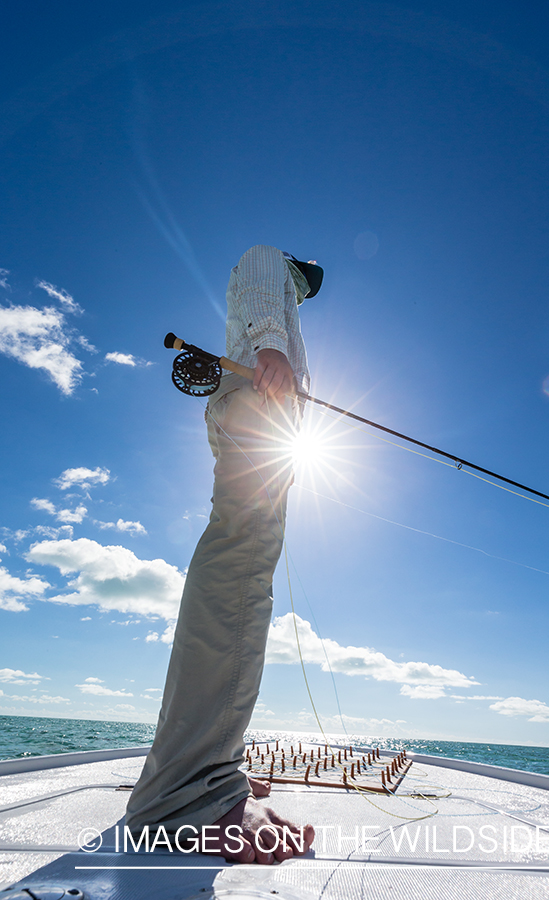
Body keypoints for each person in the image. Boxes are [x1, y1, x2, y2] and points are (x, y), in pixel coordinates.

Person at [126, 244, 323, 864]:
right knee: (242, 560)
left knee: (242, 556)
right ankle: (186, 797)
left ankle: (205, 768)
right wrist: (272, 350)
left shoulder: (273, 284)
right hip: (262, 410)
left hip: (259, 411)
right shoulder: (273, 264)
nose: (306, 293)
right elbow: (264, 276)